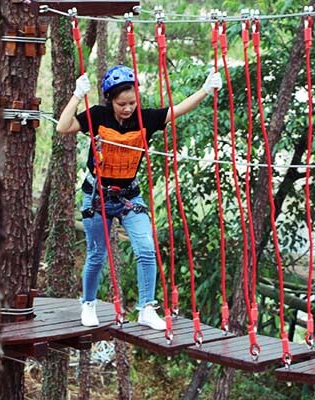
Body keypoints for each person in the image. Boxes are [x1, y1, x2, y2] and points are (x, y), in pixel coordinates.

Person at [56, 65, 222, 329]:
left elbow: (177, 109)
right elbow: (63, 127)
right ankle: (88, 302)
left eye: (132, 102)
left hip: (129, 196)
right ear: (110, 99)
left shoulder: (145, 119)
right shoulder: (98, 115)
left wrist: (205, 89)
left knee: (146, 249)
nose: (128, 108)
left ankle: (146, 307)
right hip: (96, 196)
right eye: (122, 103)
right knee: (97, 254)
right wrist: (77, 95)